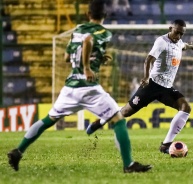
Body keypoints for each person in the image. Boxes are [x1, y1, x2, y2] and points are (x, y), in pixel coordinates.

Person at [7, 0, 152, 173]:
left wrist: (98, 57)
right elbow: (88, 42)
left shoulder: (78, 30)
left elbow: (67, 58)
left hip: (70, 87)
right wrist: (87, 67)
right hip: (88, 87)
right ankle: (128, 165)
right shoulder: (104, 32)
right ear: (104, 16)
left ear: (87, 14)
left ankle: (18, 151)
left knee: (48, 120)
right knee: (117, 119)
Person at [86, 19, 193, 154]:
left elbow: (182, 45)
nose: (179, 36)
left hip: (166, 88)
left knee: (186, 107)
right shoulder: (161, 42)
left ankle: (166, 144)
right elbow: (148, 60)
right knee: (125, 113)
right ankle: (101, 121)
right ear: (170, 28)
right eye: (177, 33)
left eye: (181, 34)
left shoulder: (179, 42)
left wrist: (190, 46)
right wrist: (146, 77)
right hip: (151, 85)